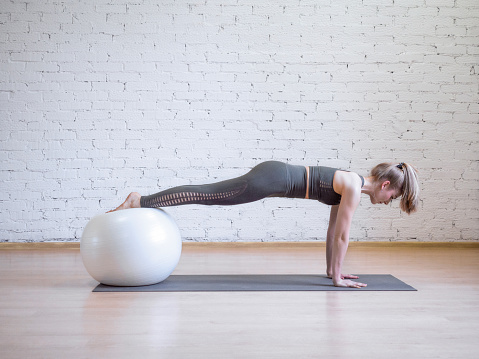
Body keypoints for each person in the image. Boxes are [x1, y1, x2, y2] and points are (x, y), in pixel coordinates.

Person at [109, 161, 419, 288]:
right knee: (209, 195)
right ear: (386, 184)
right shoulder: (352, 185)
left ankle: (142, 200)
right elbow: (342, 236)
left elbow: (332, 231)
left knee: (210, 196)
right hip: (271, 178)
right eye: (393, 196)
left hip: (273, 176)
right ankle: (141, 200)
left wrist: (331, 272)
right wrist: (339, 279)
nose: (389, 200)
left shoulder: (350, 184)